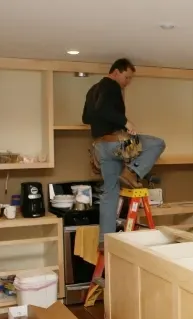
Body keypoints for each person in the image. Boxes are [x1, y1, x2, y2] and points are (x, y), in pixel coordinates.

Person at [82, 58, 166, 250]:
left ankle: (105, 240)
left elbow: (86, 117)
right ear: (116, 72)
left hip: (100, 148)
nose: (127, 82)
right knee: (157, 143)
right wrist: (125, 122)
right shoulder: (111, 86)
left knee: (109, 192)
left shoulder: (92, 90)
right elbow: (104, 109)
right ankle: (133, 172)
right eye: (127, 77)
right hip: (117, 144)